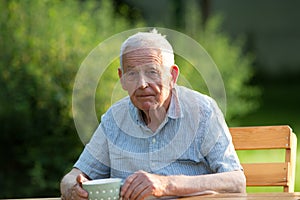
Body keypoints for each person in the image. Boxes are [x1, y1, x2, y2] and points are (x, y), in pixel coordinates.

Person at [60, 29, 246, 200]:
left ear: (172, 76)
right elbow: (73, 176)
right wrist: (73, 188)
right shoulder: (114, 118)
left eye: (152, 72)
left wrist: (167, 184)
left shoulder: (203, 111)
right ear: (122, 79)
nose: (142, 84)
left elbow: (236, 182)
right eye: (132, 73)